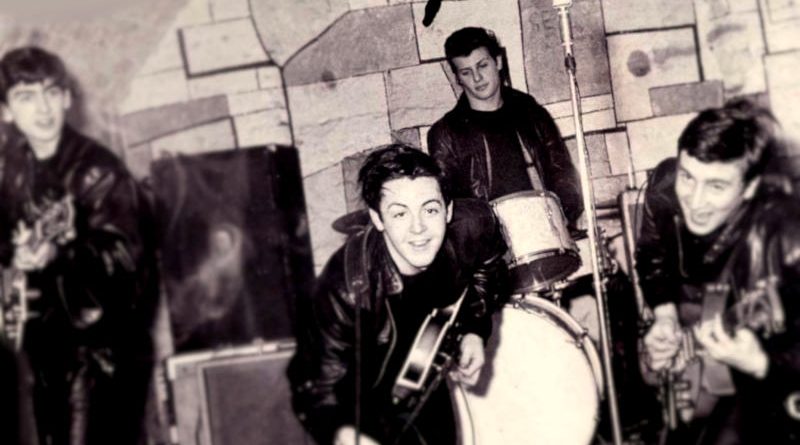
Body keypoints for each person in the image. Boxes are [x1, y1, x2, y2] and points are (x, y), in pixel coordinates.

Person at [288, 144, 508, 445]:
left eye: (430, 209)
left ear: (448, 210)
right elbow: (316, 386)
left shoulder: (473, 226)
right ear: (378, 219)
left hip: (425, 376)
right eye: (400, 213)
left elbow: (488, 267)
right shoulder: (347, 287)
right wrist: (343, 432)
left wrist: (474, 330)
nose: (419, 228)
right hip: (366, 407)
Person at [0, 46, 159, 445]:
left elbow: (125, 257)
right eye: (26, 97)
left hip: (101, 352)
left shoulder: (98, 170)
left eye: (52, 92)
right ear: (5, 112)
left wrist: (60, 254)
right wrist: (12, 255)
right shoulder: (15, 166)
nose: (43, 109)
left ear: (68, 98)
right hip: (46, 349)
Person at [637, 99, 800, 443]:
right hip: (702, 333)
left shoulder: (786, 234)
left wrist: (763, 362)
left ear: (750, 187)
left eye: (716, 186)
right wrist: (665, 317)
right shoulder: (664, 188)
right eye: (688, 177)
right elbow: (652, 257)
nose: (695, 202)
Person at [427, 26, 583, 229]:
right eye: (466, 72)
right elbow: (448, 206)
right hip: (488, 244)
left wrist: (563, 215)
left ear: (498, 62)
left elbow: (562, 171)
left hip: (547, 231)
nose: (477, 78)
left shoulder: (530, 111)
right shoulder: (445, 134)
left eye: (482, 66)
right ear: (457, 77)